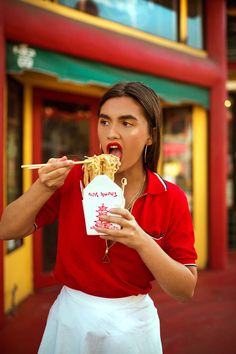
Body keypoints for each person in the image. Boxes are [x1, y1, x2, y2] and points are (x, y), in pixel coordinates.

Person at [0, 81, 197, 354]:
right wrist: (42, 186)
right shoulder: (72, 180)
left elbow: (185, 288)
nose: (111, 132)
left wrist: (140, 240)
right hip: (72, 317)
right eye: (104, 122)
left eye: (126, 124)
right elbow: (6, 229)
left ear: (150, 136)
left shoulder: (170, 197)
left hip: (133, 323)